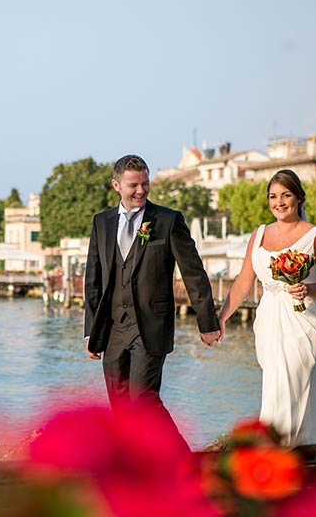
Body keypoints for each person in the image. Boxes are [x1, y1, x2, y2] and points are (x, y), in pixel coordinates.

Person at [217, 169, 316, 446]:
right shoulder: (258, 235)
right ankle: (304, 447)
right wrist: (220, 319)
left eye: (285, 195)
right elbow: (245, 281)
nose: (278, 202)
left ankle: (276, 449)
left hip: (302, 319)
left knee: (291, 381)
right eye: (273, 196)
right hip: (268, 319)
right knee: (276, 384)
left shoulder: (315, 235)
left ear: (299, 198)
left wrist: (309, 289)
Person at [84, 154, 220, 411]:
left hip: (150, 326)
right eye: (133, 185)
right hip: (112, 329)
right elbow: (94, 278)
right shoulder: (101, 222)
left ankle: (177, 452)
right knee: (120, 405)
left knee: (143, 402)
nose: (141, 190)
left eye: (145, 183)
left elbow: (193, 273)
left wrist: (207, 322)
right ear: (116, 186)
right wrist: (91, 330)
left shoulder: (168, 220)